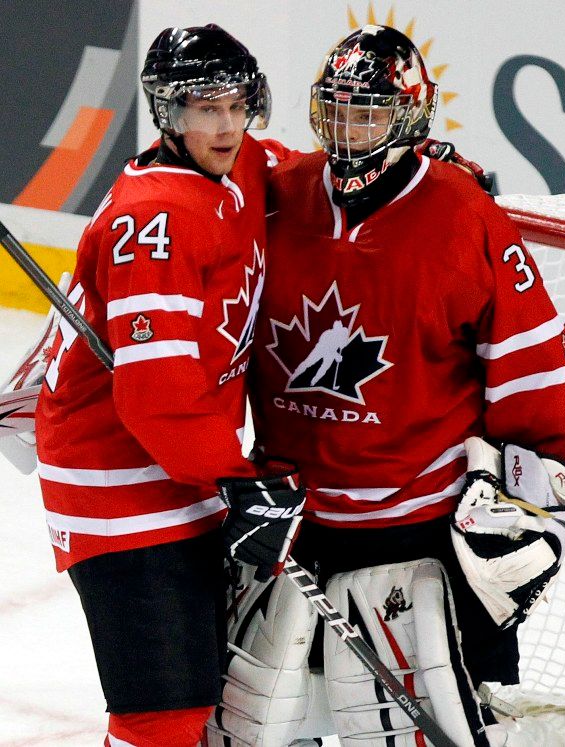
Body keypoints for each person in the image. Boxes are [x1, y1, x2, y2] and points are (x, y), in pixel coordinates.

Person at [206, 25, 565, 747]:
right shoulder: (276, 197)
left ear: (409, 120)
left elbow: (542, 378)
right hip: (289, 528)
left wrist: (523, 504)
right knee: (250, 734)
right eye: (339, 110)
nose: (351, 131)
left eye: (371, 113)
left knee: (452, 724)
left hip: (420, 539)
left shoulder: (461, 214)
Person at [34, 25, 305, 747]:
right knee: (163, 712)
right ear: (168, 115)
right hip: (111, 481)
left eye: (236, 104)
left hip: (180, 466)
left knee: (209, 699)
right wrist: (234, 477)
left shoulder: (240, 164)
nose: (224, 125)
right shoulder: (156, 218)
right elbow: (156, 391)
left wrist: (434, 165)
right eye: (203, 109)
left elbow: (301, 173)